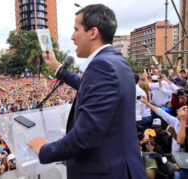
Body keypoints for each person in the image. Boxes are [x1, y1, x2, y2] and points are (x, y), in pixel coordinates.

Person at [27, 4, 145, 179]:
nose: (72, 37)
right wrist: (56, 65)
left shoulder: (102, 66)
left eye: (76, 29)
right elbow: (89, 86)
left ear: (93, 32)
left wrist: (45, 150)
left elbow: (85, 136)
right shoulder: (116, 62)